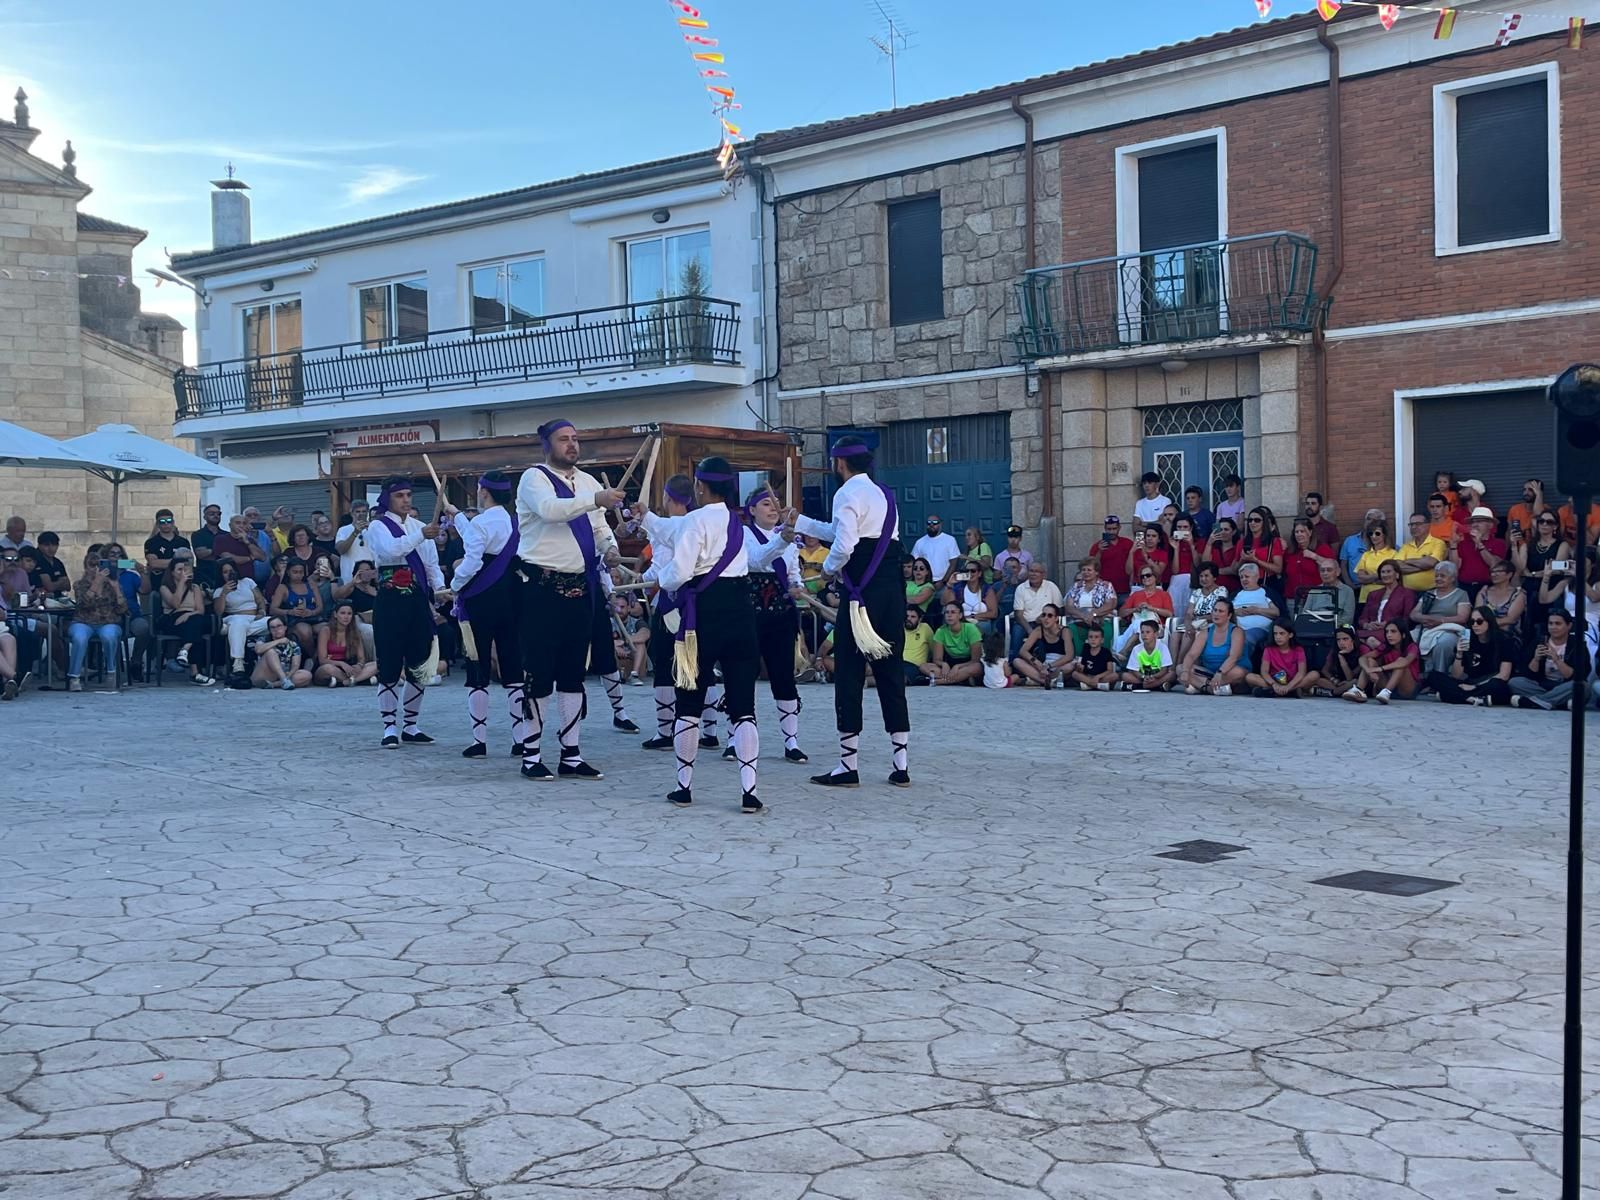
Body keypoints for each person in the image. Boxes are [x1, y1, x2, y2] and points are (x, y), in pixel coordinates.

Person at [786, 436, 911, 788]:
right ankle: (900, 764)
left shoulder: (846, 493)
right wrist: (801, 521)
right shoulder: (884, 494)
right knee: (891, 671)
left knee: (850, 674)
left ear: (838, 463)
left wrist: (828, 571)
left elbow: (843, 544)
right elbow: (844, 532)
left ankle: (848, 765)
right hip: (890, 592)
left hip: (860, 596)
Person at [515, 420, 627, 779]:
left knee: (573, 673)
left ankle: (571, 754)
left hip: (580, 587)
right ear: (547, 445)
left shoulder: (589, 481)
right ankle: (531, 755)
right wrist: (596, 500)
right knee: (539, 673)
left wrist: (610, 548)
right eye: (564, 439)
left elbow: (599, 527)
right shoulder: (534, 478)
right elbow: (551, 510)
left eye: (575, 439)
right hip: (540, 588)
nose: (572, 445)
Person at [655, 456, 762, 813]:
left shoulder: (695, 520)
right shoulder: (737, 523)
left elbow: (679, 572)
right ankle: (749, 791)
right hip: (741, 612)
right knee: (744, 706)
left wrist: (661, 578)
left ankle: (683, 787)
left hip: (703, 614)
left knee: (689, 700)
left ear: (700, 486)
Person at [451, 471, 530, 761]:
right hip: (511, 597)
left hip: (481, 599)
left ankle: (479, 741)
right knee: (513, 666)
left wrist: (454, 584)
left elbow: (472, 560)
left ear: (484, 492)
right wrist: (457, 516)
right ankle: (520, 739)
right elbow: (475, 535)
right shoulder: (515, 523)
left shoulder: (481, 523)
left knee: (478, 665)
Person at [367, 478, 450, 749]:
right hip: (390, 601)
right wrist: (421, 535)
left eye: (408, 494)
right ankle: (389, 727)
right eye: (400, 495)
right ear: (387, 498)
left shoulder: (419, 526)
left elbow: (431, 565)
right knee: (389, 663)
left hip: (417, 600)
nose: (406, 500)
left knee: (419, 662)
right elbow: (390, 551)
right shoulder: (378, 526)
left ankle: (411, 725)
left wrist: (440, 589)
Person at [734, 482, 809, 764]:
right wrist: (782, 541)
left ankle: (792, 742)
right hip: (749, 613)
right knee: (743, 674)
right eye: (766, 503)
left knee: (783, 675)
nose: (773, 508)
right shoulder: (742, 535)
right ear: (752, 510)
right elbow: (756, 561)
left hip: (780, 614)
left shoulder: (788, 539)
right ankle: (734, 738)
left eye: (776, 503)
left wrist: (797, 586)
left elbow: (793, 572)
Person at [639, 474, 702, 751]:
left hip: (671, 603)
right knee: (698, 663)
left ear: (668, 497)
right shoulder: (700, 523)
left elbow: (661, 568)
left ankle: (666, 731)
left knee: (665, 664)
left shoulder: (669, 527)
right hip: (698, 603)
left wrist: (640, 579)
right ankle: (710, 731)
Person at [66, 551, 128, 692]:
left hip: (108, 622)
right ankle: (74, 677)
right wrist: (95, 584)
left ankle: (111, 672)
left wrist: (116, 589)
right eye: (91, 565)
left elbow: (123, 609)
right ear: (86, 567)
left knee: (109, 635)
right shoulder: (79, 585)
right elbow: (83, 604)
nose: (95, 569)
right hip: (83, 621)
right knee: (79, 637)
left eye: (98, 565)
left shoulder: (112, 584)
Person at [1431, 605, 1514, 706]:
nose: (1475, 625)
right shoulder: (1468, 640)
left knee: (1499, 686)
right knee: (1434, 677)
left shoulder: (1504, 640)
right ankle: (1472, 699)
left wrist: (1475, 687)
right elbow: (1456, 675)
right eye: (1472, 622)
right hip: (1470, 681)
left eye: (1479, 621)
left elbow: (1504, 675)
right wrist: (1459, 653)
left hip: (1490, 682)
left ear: (1489, 622)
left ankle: (1457, 696)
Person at [1509, 609, 1590, 710]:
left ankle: (1535, 701)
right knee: (1515, 682)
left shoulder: (1577, 645)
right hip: (1543, 685)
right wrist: (1536, 659)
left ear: (1569, 626)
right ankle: (1558, 703)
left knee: (1582, 686)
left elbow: (1574, 676)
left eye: (1558, 624)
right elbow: (1530, 675)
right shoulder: (1539, 641)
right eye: (1550, 623)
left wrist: (1556, 660)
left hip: (1565, 685)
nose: (1553, 627)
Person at [157, 559, 215, 686]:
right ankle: (195, 673)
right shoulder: (165, 588)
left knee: (196, 623)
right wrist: (181, 583)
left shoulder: (195, 588)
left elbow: (200, 610)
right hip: (173, 618)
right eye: (179, 570)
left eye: (185, 569)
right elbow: (175, 604)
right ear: (172, 572)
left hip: (192, 617)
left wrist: (188, 614)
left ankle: (185, 649)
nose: (183, 572)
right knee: (196, 628)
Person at [1410, 561, 1471, 677]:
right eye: (1436, 576)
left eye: (1442, 576)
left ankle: (1439, 677)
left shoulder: (1461, 594)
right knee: (1405, 640)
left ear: (1453, 578)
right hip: (1426, 628)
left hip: (1450, 630)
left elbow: (1463, 617)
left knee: (1443, 644)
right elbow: (1413, 614)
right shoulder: (1428, 594)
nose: (1438, 578)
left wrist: (1440, 621)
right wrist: (1428, 619)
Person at [1512, 511, 1571, 630]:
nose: (1544, 524)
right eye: (1541, 521)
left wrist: (1532, 574)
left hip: (1551, 588)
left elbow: (1556, 569)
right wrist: (1514, 546)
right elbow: (1520, 568)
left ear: (1555, 526)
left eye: (1549, 522)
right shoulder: (1528, 545)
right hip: (1530, 589)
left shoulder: (1562, 545)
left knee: (1548, 624)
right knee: (1529, 625)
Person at [1179, 596, 1246, 695]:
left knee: (1238, 672)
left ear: (1229, 615)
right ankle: (1211, 688)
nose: (1216, 614)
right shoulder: (1206, 632)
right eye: (1215, 610)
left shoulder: (1236, 631)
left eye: (1221, 611)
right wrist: (1185, 671)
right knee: (1180, 668)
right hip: (1209, 673)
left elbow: (1234, 657)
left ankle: (1200, 686)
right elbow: (1192, 655)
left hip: (1228, 671)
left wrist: (1220, 673)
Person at [212, 561, 267, 676]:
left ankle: (230, 630)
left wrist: (262, 612)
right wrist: (224, 593)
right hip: (234, 617)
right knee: (238, 623)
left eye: (231, 571)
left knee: (274, 623)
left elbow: (260, 600)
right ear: (221, 575)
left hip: (254, 618)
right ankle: (238, 662)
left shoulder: (247, 582)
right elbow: (218, 612)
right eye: (225, 572)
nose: (229, 574)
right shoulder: (219, 590)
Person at [1173, 562, 1229, 664]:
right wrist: (1188, 624)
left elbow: (1218, 614)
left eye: (1206, 576)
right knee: (1175, 634)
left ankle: (1179, 663)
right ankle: (1172, 666)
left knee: (1187, 635)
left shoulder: (1221, 591)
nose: (1203, 579)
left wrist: (1198, 619)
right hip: (1195, 623)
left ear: (1214, 577)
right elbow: (1189, 613)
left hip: (1210, 624)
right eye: (1201, 576)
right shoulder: (1197, 592)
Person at [1245, 620, 1319, 697]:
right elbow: (1264, 672)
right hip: (1274, 682)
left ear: (1290, 635)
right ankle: (1289, 692)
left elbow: (1301, 672)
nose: (1278, 637)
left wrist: (1289, 686)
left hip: (1293, 682)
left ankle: (1279, 691)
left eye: (1282, 633)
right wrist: (1274, 684)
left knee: (1314, 674)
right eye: (1275, 634)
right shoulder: (1268, 649)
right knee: (1249, 677)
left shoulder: (1298, 650)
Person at [1113, 567, 1173, 660]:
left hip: (1156, 628)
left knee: (1140, 625)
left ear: (1155, 577)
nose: (1145, 578)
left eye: (1148, 575)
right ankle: (1125, 654)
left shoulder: (1164, 595)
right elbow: (1121, 613)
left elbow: (1169, 614)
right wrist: (1135, 609)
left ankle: (1124, 652)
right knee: (1139, 624)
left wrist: (1152, 608)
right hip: (1136, 627)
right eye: (1142, 576)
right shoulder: (1136, 595)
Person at [1356, 560, 1416, 651]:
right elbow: (1362, 618)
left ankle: (1388, 654)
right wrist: (1367, 625)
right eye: (1383, 572)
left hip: (1392, 632)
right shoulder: (1373, 594)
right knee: (1349, 639)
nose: (1385, 575)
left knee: (1369, 641)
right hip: (1370, 631)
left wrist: (1388, 624)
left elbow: (1407, 619)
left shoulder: (1407, 594)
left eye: (1388, 571)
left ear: (1397, 575)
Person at [1062, 558, 1117, 655]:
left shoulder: (1106, 585)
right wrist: (1083, 616)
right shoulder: (1076, 586)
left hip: (1101, 620)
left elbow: (1110, 604)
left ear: (1096, 572)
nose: (1086, 572)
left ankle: (1103, 659)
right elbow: (1069, 606)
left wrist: (1093, 613)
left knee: (1104, 631)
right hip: (1079, 620)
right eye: (1083, 570)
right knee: (1071, 630)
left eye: (1089, 570)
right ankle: (1079, 659)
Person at [315, 600, 376, 687]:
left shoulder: (355, 632)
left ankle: (346, 682)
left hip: (349, 667)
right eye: (342, 613)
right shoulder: (326, 631)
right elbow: (322, 660)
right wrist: (341, 664)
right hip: (331, 665)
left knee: (377, 665)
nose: (346, 617)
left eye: (349, 614)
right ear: (335, 615)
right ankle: (360, 680)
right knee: (328, 669)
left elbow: (361, 658)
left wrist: (359, 666)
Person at [1357, 620, 1420, 704]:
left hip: (1406, 690)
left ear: (1403, 634)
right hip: (1385, 684)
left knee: (1400, 662)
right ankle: (1358, 690)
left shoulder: (1412, 646)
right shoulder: (1385, 647)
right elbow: (1363, 658)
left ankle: (1386, 692)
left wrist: (1380, 669)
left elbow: (1405, 662)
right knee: (1370, 660)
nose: (1389, 635)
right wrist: (1368, 670)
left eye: (1393, 631)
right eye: (1387, 632)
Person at [1009, 561, 1062, 659]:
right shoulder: (1021, 588)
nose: (1033, 574)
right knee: (1017, 631)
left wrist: (1044, 618)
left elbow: (1059, 609)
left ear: (1044, 574)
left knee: (1047, 632)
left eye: (1037, 571)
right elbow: (1018, 615)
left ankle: (1046, 662)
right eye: (1031, 571)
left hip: (1045, 622)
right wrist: (1030, 630)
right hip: (1025, 623)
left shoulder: (1051, 587)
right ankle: (1013, 662)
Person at [1451, 507, 1507, 598]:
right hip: (1464, 587)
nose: (1475, 525)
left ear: (1490, 525)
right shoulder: (1463, 544)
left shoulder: (1499, 543)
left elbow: (1494, 564)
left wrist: (1479, 543)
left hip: (1487, 587)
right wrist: (1453, 545)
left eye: (1479, 521)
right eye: (1473, 522)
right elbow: (1455, 567)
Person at [269, 559, 322, 657]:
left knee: (326, 628)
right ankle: (312, 658)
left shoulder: (311, 585)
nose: (298, 575)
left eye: (301, 572)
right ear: (288, 572)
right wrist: (290, 612)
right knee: (305, 631)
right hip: (295, 620)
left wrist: (312, 612)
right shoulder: (283, 588)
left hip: (313, 618)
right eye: (295, 572)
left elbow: (320, 607)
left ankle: (321, 656)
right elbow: (273, 609)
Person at [1011, 603, 1070, 688]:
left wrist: (1050, 666)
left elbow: (1069, 656)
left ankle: (1041, 681)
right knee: (1017, 661)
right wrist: (1037, 663)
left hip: (1059, 666)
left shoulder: (1065, 631)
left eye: (1050, 616)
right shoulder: (1039, 630)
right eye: (1043, 615)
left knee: (1071, 665)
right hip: (1044, 667)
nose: (1046, 618)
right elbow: (1023, 651)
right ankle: (1047, 682)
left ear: (1056, 618)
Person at [1282, 518, 1335, 609]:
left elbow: (1333, 566)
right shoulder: (1290, 552)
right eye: (1296, 532)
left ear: (1310, 532)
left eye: (1302, 531)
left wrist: (1315, 556)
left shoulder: (1322, 548)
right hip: (1293, 599)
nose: (1299, 534)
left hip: (1316, 598)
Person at [927, 601, 983, 687]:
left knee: (977, 667)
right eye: (947, 612)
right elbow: (937, 659)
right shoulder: (940, 631)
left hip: (968, 663)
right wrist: (944, 664)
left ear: (960, 615)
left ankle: (939, 681)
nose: (949, 615)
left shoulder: (971, 629)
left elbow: (975, 660)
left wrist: (958, 666)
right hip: (950, 664)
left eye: (953, 612)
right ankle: (961, 679)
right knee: (924, 666)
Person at [1231, 562, 1279, 656]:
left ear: (1257, 577)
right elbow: (1225, 611)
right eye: (1241, 577)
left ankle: (1239, 663)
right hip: (1236, 628)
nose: (1244, 579)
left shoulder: (1266, 593)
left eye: (1247, 576)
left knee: (1246, 638)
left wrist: (1257, 610)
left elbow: (1276, 613)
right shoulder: (1236, 594)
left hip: (1258, 629)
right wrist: (1235, 611)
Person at [251, 616, 312, 690]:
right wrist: (279, 641)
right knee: (270, 652)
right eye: (272, 627)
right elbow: (258, 650)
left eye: (279, 626)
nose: (276, 629)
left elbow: (295, 665)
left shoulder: (293, 644)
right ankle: (284, 680)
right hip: (263, 675)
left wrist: (289, 675)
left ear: (285, 627)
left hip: (283, 676)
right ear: (269, 630)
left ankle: (274, 684)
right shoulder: (263, 639)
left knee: (307, 675)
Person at [1479, 558, 1527, 652]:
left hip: (1508, 635)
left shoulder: (1518, 594)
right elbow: (1477, 614)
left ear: (1509, 574)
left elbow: (1510, 619)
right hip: (1483, 631)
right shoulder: (1484, 591)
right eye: (1492, 572)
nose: (1494, 574)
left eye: (1498, 571)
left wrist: (1487, 624)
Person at [1239, 507, 1285, 601]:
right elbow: (1235, 568)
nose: (1253, 523)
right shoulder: (1242, 542)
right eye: (1250, 520)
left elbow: (1278, 568)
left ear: (1264, 522)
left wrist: (1256, 560)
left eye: (1257, 520)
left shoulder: (1273, 541)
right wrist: (1242, 559)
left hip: (1267, 583)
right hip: (1246, 583)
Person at [943, 558, 999, 634]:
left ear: (979, 573)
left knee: (978, 628)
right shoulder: (958, 588)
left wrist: (972, 616)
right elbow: (948, 604)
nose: (969, 573)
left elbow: (993, 613)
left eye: (973, 571)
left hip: (980, 622)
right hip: (961, 621)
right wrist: (949, 585)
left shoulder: (987, 589)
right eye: (967, 571)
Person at [1396, 513, 1447, 593]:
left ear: (1428, 525)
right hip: (1407, 592)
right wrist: (1424, 566)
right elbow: (1397, 567)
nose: (1413, 527)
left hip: (1430, 591)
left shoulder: (1438, 543)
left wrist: (1406, 561)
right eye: (1411, 524)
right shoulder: (1405, 546)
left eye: (1418, 524)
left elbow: (1431, 563)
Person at [1120, 619, 1175, 692]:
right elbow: (1134, 670)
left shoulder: (1162, 647)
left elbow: (1164, 670)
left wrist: (1153, 677)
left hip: (1158, 677)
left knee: (1172, 674)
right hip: (1142, 678)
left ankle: (1140, 686)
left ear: (1156, 634)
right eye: (1142, 632)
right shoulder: (1136, 649)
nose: (1144, 635)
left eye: (1148, 632)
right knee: (1125, 675)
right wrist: (1143, 677)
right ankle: (1157, 686)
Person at [143, 509, 191, 590]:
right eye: (162, 521)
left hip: (180, 583)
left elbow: (187, 563)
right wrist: (177, 561)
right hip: (158, 583)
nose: (166, 524)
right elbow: (153, 563)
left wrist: (163, 563)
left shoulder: (183, 542)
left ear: (173, 522)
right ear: (157, 524)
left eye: (169, 521)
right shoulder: (151, 542)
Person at [1354, 520, 1399, 602]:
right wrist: (1379, 577)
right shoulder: (1366, 554)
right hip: (1365, 597)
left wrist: (1369, 579)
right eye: (1371, 533)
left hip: (1385, 597)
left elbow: (1392, 579)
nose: (1373, 536)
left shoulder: (1393, 554)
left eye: (1377, 533)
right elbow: (1360, 578)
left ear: (1385, 535)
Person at [1340, 508, 1385, 591]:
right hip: (1353, 587)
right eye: (1368, 519)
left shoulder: (1388, 547)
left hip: (1378, 588)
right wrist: (1350, 585)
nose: (1370, 522)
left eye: (1375, 520)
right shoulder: (1350, 541)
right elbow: (1343, 565)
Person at [1066, 624, 1119, 691]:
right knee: (1074, 674)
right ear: (1087, 639)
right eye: (1090, 637)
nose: (1093, 639)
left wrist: (1098, 676)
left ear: (1102, 640)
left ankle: (1089, 685)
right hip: (1088, 676)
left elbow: (1109, 670)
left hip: (1101, 677)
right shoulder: (1086, 649)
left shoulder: (1106, 652)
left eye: (1096, 637)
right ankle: (1097, 685)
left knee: (1115, 676)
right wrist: (1079, 667)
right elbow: (1081, 669)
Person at [1167, 514, 1200, 622]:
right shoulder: (1171, 543)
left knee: (1190, 612)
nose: (1182, 530)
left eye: (1185, 527)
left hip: (1193, 580)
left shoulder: (1198, 541)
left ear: (1191, 528)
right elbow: (1175, 570)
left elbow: (1198, 564)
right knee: (1175, 611)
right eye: (1179, 527)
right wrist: (1176, 549)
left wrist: (1191, 545)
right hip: (1177, 581)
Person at [911, 514, 960, 585]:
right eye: (929, 523)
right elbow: (913, 562)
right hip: (924, 583)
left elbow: (953, 563)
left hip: (945, 583)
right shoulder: (920, 542)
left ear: (941, 524)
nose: (931, 525)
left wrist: (943, 581)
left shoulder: (950, 540)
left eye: (935, 522)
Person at [1201, 517, 1243, 593]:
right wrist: (1209, 543)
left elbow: (1233, 570)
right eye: (1221, 529)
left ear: (1233, 532)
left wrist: (1213, 572)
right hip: (1214, 590)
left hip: (1233, 589)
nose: (1223, 532)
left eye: (1226, 529)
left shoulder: (1238, 548)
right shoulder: (1213, 548)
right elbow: (1205, 564)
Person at [336, 500, 374, 583]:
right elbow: (341, 550)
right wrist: (355, 532)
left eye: (364, 511)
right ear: (352, 513)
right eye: (357, 512)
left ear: (367, 513)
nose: (361, 514)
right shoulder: (343, 530)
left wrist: (371, 529)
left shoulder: (374, 528)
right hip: (349, 576)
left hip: (370, 575)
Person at [1323, 627, 1366, 701]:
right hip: (1340, 681)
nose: (1341, 643)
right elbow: (1324, 670)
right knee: (1318, 679)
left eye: (1345, 639)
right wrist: (1334, 680)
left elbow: (1350, 677)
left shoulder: (1362, 649)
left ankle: (1333, 692)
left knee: (1354, 682)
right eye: (1338, 640)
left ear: (1353, 640)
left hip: (1357, 682)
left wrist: (1341, 658)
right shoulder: (1335, 650)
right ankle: (1338, 691)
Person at [1126, 525, 1172, 591]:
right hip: (1137, 586)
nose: (1150, 538)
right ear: (1144, 538)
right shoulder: (1136, 552)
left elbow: (1158, 573)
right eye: (1148, 536)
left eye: (1154, 536)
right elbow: (1128, 571)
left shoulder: (1162, 553)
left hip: (1155, 587)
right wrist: (1131, 552)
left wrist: (1146, 557)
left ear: (1159, 539)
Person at [190, 504, 224, 588]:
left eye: (218, 513)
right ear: (204, 517)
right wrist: (219, 550)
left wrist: (210, 551)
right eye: (212, 513)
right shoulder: (198, 535)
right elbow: (201, 555)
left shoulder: (226, 535)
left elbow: (229, 555)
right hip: (204, 576)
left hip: (223, 575)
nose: (216, 515)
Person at [902, 604, 935, 687]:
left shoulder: (925, 628)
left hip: (914, 666)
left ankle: (873, 682)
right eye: (907, 616)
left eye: (913, 617)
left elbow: (934, 649)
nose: (909, 619)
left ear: (920, 619)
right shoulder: (899, 628)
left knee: (900, 679)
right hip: (897, 662)